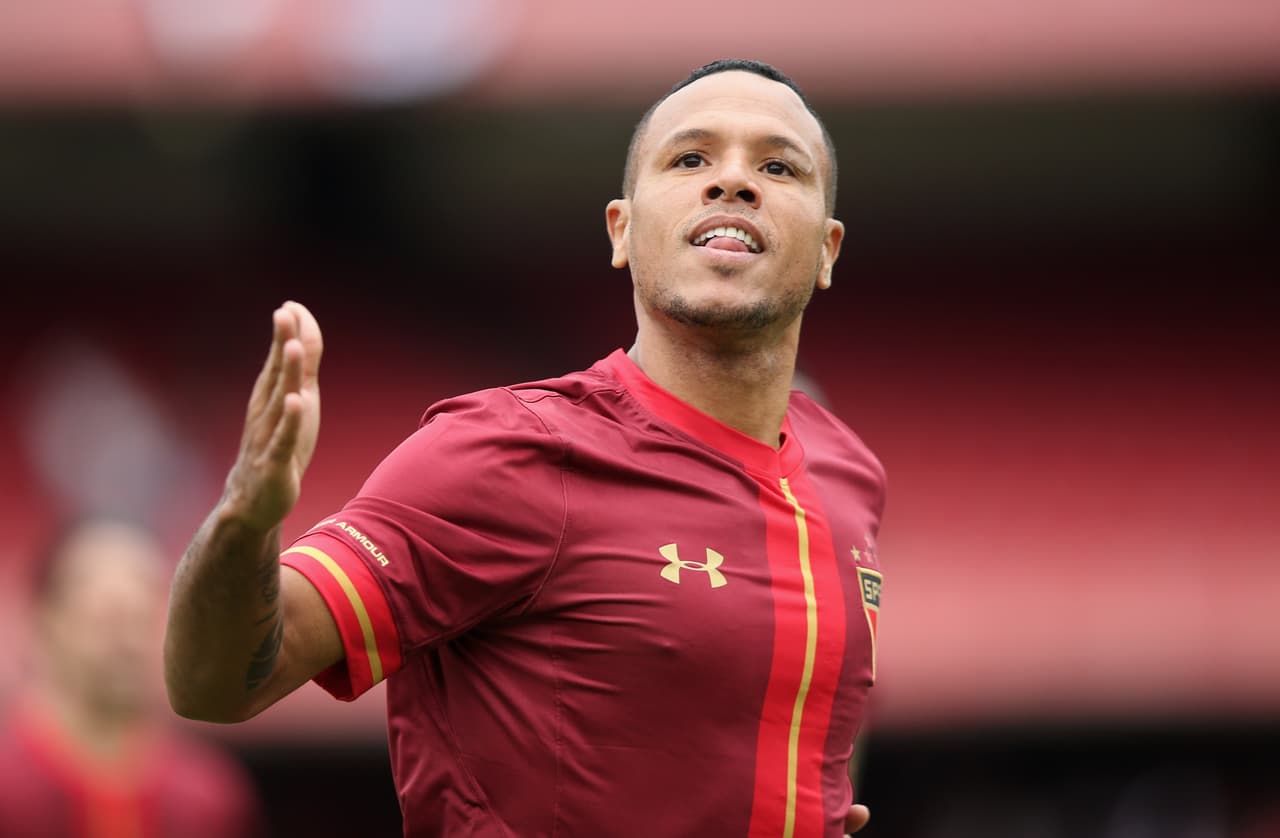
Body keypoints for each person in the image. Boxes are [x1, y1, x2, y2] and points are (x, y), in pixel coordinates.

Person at [165, 58, 887, 837]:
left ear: (828, 249)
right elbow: (214, 685)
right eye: (690, 159)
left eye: (778, 166)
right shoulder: (506, 451)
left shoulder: (847, 473)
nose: (734, 182)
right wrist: (246, 517)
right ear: (621, 230)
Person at [0, 517, 264, 838]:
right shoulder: (10, 786)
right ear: (44, 618)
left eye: (141, 616)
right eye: (107, 615)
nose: (127, 641)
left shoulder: (209, 795)